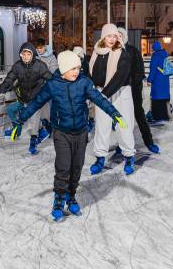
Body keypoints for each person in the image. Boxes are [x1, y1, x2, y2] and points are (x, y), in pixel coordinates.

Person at [17, 51, 123, 221]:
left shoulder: (84, 82)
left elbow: (99, 99)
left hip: (81, 132)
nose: (76, 71)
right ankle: (58, 200)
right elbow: (36, 102)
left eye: (78, 68)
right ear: (64, 68)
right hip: (62, 133)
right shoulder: (53, 85)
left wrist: (114, 113)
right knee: (63, 167)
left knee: (76, 168)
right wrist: (20, 120)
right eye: (72, 68)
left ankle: (71, 196)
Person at [88, 24, 138, 175]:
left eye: (115, 36)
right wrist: (93, 91)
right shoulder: (96, 52)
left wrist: (104, 94)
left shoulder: (122, 53)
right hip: (101, 92)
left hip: (120, 93)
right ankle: (100, 157)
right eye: (109, 36)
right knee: (101, 126)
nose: (112, 39)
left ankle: (129, 156)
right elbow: (91, 74)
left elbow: (121, 75)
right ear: (103, 37)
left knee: (123, 124)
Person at [0, 42, 53, 154]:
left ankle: (33, 144)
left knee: (34, 120)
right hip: (24, 98)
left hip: (37, 97)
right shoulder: (17, 66)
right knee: (24, 115)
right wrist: (2, 89)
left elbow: (50, 78)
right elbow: (10, 78)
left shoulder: (40, 65)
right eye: (24, 54)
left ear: (32, 55)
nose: (26, 57)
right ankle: (43, 130)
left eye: (29, 54)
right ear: (21, 55)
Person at [118, 27, 159, 153]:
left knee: (139, 116)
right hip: (119, 91)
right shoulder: (112, 52)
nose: (118, 37)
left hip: (133, 89)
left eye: (120, 35)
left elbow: (139, 71)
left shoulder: (132, 50)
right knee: (121, 119)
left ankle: (149, 142)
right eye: (116, 35)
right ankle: (123, 144)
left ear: (124, 37)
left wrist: (132, 84)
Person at [147, 40, 171, 123]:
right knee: (164, 98)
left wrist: (149, 80)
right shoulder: (165, 55)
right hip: (165, 80)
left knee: (156, 97)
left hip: (157, 80)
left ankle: (157, 117)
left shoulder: (155, 56)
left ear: (154, 49)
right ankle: (165, 115)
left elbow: (153, 70)